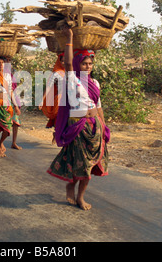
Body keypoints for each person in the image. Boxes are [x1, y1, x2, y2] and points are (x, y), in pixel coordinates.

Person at [46, 27, 111, 211]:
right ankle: (71, 187)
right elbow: (67, 63)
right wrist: (70, 39)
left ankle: (80, 196)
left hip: (94, 126)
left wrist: (104, 127)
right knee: (80, 163)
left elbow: (98, 106)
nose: (88, 67)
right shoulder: (71, 79)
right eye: (84, 64)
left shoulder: (95, 83)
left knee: (89, 165)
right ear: (77, 64)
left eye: (90, 63)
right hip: (77, 126)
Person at [40, 52, 65, 140]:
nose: (64, 63)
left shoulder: (72, 72)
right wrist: (42, 100)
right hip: (60, 99)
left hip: (70, 98)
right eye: (62, 61)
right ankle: (58, 133)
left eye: (66, 61)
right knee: (59, 118)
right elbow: (48, 87)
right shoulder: (56, 74)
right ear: (59, 62)